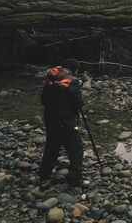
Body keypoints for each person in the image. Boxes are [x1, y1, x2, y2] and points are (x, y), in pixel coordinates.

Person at [39, 59, 84, 188]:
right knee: (76, 148)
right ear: (74, 70)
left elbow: (43, 100)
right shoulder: (72, 82)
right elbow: (78, 103)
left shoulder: (50, 79)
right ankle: (74, 179)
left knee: (51, 147)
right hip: (66, 121)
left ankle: (44, 175)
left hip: (50, 119)